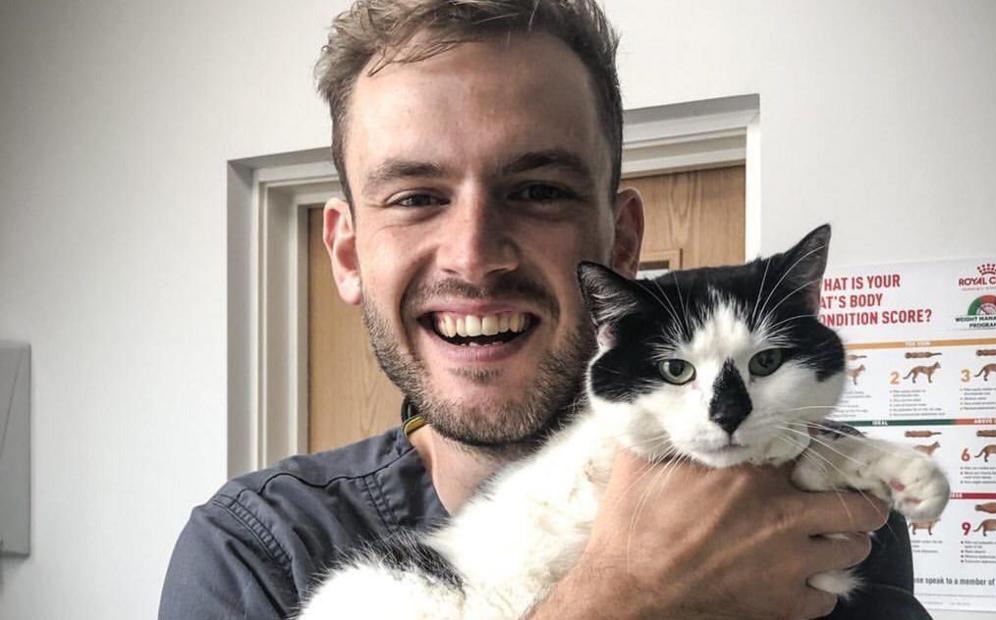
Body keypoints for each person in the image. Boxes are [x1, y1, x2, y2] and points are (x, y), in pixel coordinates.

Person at [159, 1, 927, 618]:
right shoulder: (256, 551)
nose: (473, 255)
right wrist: (619, 602)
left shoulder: (823, 494)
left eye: (538, 192)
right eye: (416, 197)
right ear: (350, 252)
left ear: (622, 244)